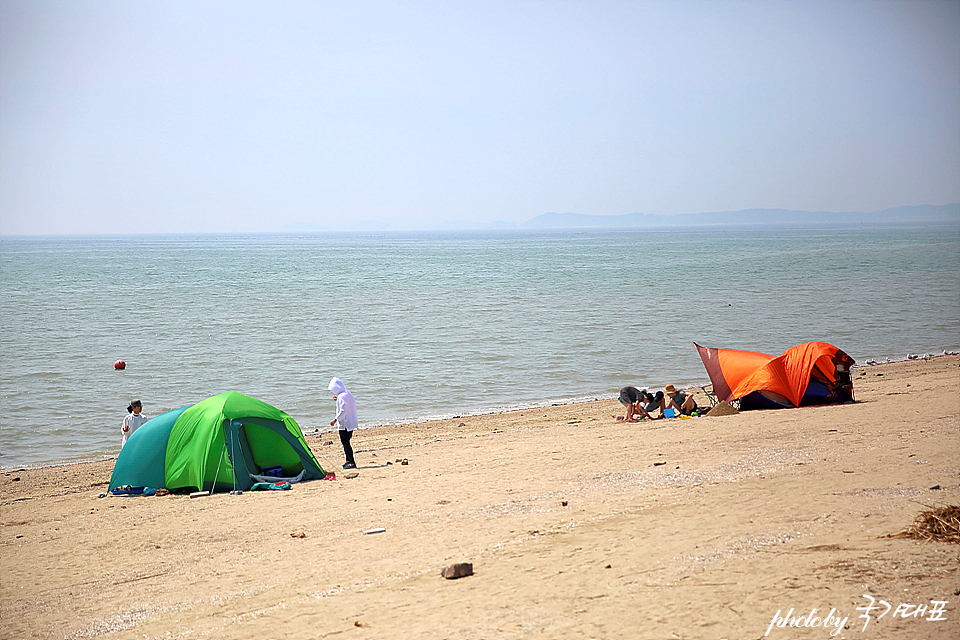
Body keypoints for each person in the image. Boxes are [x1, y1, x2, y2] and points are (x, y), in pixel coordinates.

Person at [328, 377, 358, 469]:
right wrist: (338, 399)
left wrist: (335, 419)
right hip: (350, 422)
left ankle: (352, 463)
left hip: (345, 424)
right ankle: (348, 461)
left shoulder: (342, 396)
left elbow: (343, 410)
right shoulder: (346, 393)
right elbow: (348, 403)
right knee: (346, 442)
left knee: (345, 443)